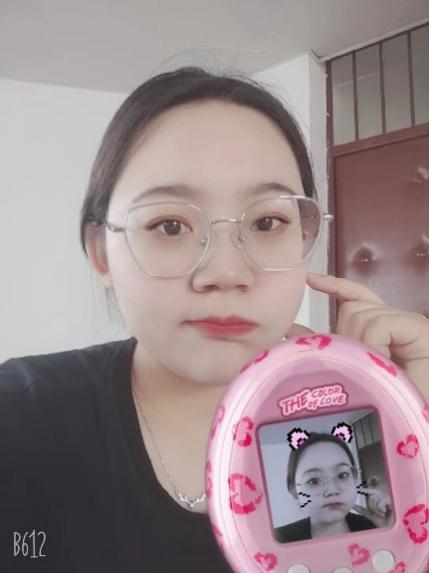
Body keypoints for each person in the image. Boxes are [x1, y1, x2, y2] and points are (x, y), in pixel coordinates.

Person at [0, 66, 428, 572]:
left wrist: (415, 428)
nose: (226, 273)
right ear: (100, 253)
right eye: (170, 224)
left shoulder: (371, 417)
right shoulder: (21, 419)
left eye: (268, 221)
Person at [274, 432, 391, 543]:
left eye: (342, 475)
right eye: (314, 481)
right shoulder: (278, 540)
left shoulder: (375, 528)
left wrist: (390, 530)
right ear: (295, 492)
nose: (332, 490)